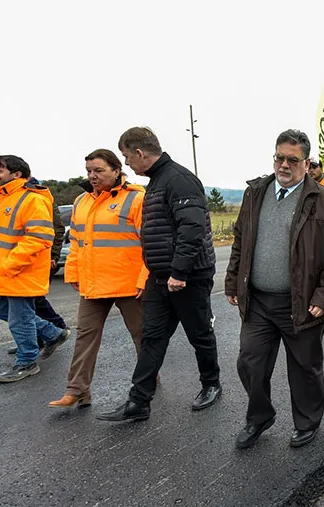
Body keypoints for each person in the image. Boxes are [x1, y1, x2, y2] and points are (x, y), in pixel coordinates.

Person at [225, 129, 324, 449]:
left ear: (307, 163)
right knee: (249, 361)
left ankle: (306, 422)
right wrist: (233, 280)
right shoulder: (255, 193)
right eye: (279, 157)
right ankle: (259, 416)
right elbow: (241, 239)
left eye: (293, 160)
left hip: (302, 302)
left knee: (305, 367)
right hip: (259, 301)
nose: (284, 165)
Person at [97, 127, 221, 422]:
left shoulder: (178, 179)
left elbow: (191, 229)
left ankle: (211, 384)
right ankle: (138, 401)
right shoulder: (156, 182)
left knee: (199, 334)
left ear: (140, 153)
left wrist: (179, 272)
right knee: (151, 337)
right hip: (160, 276)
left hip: (187, 276)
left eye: (127, 157)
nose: (127, 163)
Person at [48, 149, 148, 408]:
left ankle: (149, 376)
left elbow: (151, 243)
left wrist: (144, 278)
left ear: (117, 170)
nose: (92, 176)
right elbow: (77, 242)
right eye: (89, 171)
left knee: (141, 335)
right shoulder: (82, 201)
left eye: (99, 170)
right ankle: (77, 390)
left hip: (129, 284)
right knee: (85, 335)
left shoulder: (136, 199)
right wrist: (72, 271)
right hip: (93, 283)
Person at [0, 155, 71, 382]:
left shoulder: (32, 199)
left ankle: (27, 362)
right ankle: (54, 333)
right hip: (4, 271)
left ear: (17, 174)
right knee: (3, 312)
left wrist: (10, 263)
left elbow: (40, 237)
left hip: (20, 271)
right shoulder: (5, 198)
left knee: (21, 319)